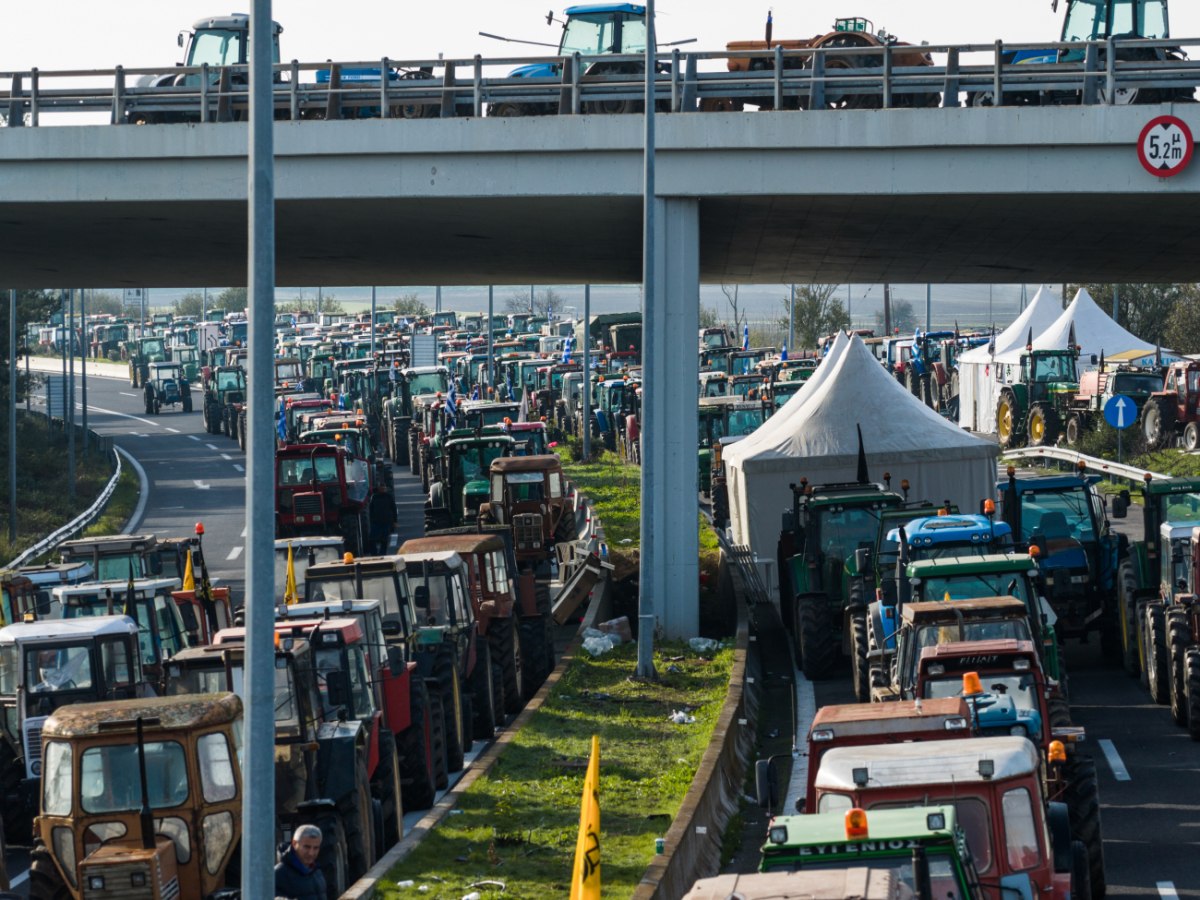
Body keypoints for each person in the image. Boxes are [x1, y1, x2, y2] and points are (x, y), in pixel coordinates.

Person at [275, 824, 326, 900]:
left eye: (316, 848)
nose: (311, 853)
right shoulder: (278, 875)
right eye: (306, 847)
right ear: (294, 843)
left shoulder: (317, 872)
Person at [368, 486, 397, 556]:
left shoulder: (388, 497)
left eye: (384, 488)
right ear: (378, 489)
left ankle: (382, 553)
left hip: (386, 521)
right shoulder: (374, 497)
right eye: (381, 488)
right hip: (376, 521)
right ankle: (374, 554)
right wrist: (371, 520)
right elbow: (371, 510)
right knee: (372, 539)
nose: (383, 489)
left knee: (384, 540)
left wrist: (394, 521)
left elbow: (394, 509)